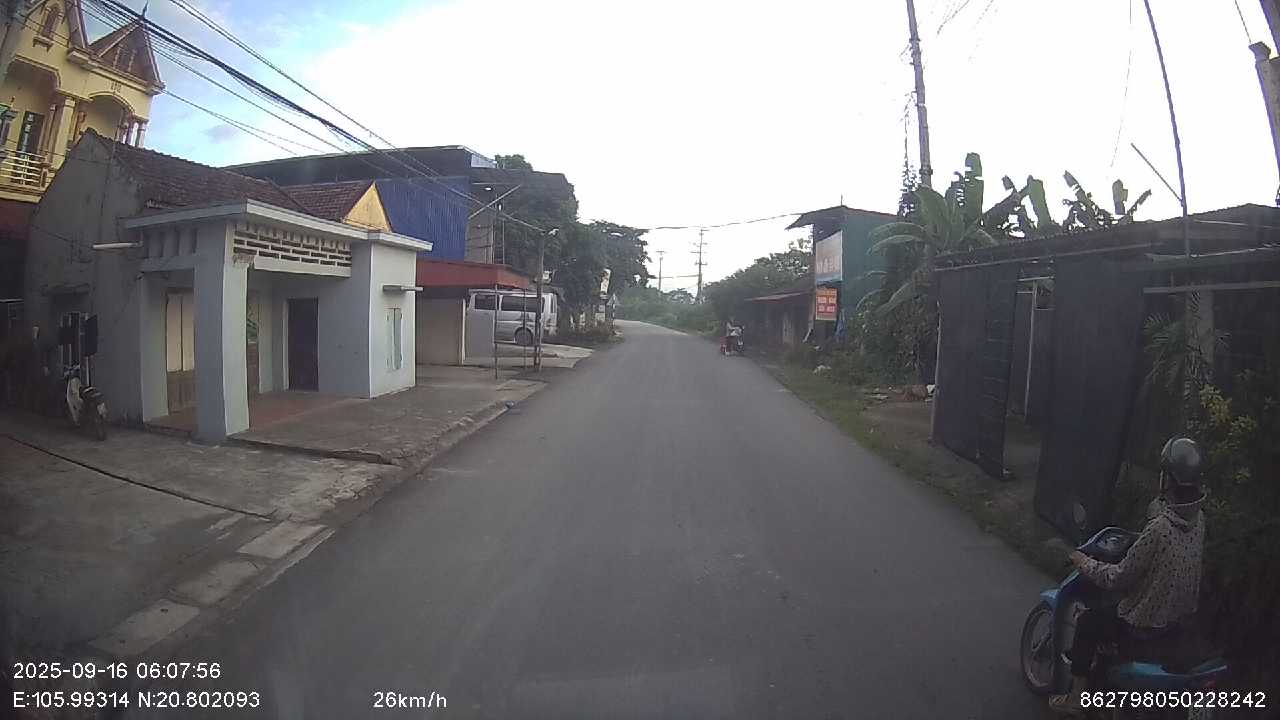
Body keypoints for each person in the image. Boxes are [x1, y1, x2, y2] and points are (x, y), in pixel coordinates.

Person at [1049, 436, 1206, 715]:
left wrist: (1084, 562)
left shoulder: (1159, 529)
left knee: (1088, 621)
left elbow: (1116, 578)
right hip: (1177, 621)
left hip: (1143, 625)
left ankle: (1076, 697)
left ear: (1168, 479)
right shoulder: (1198, 520)